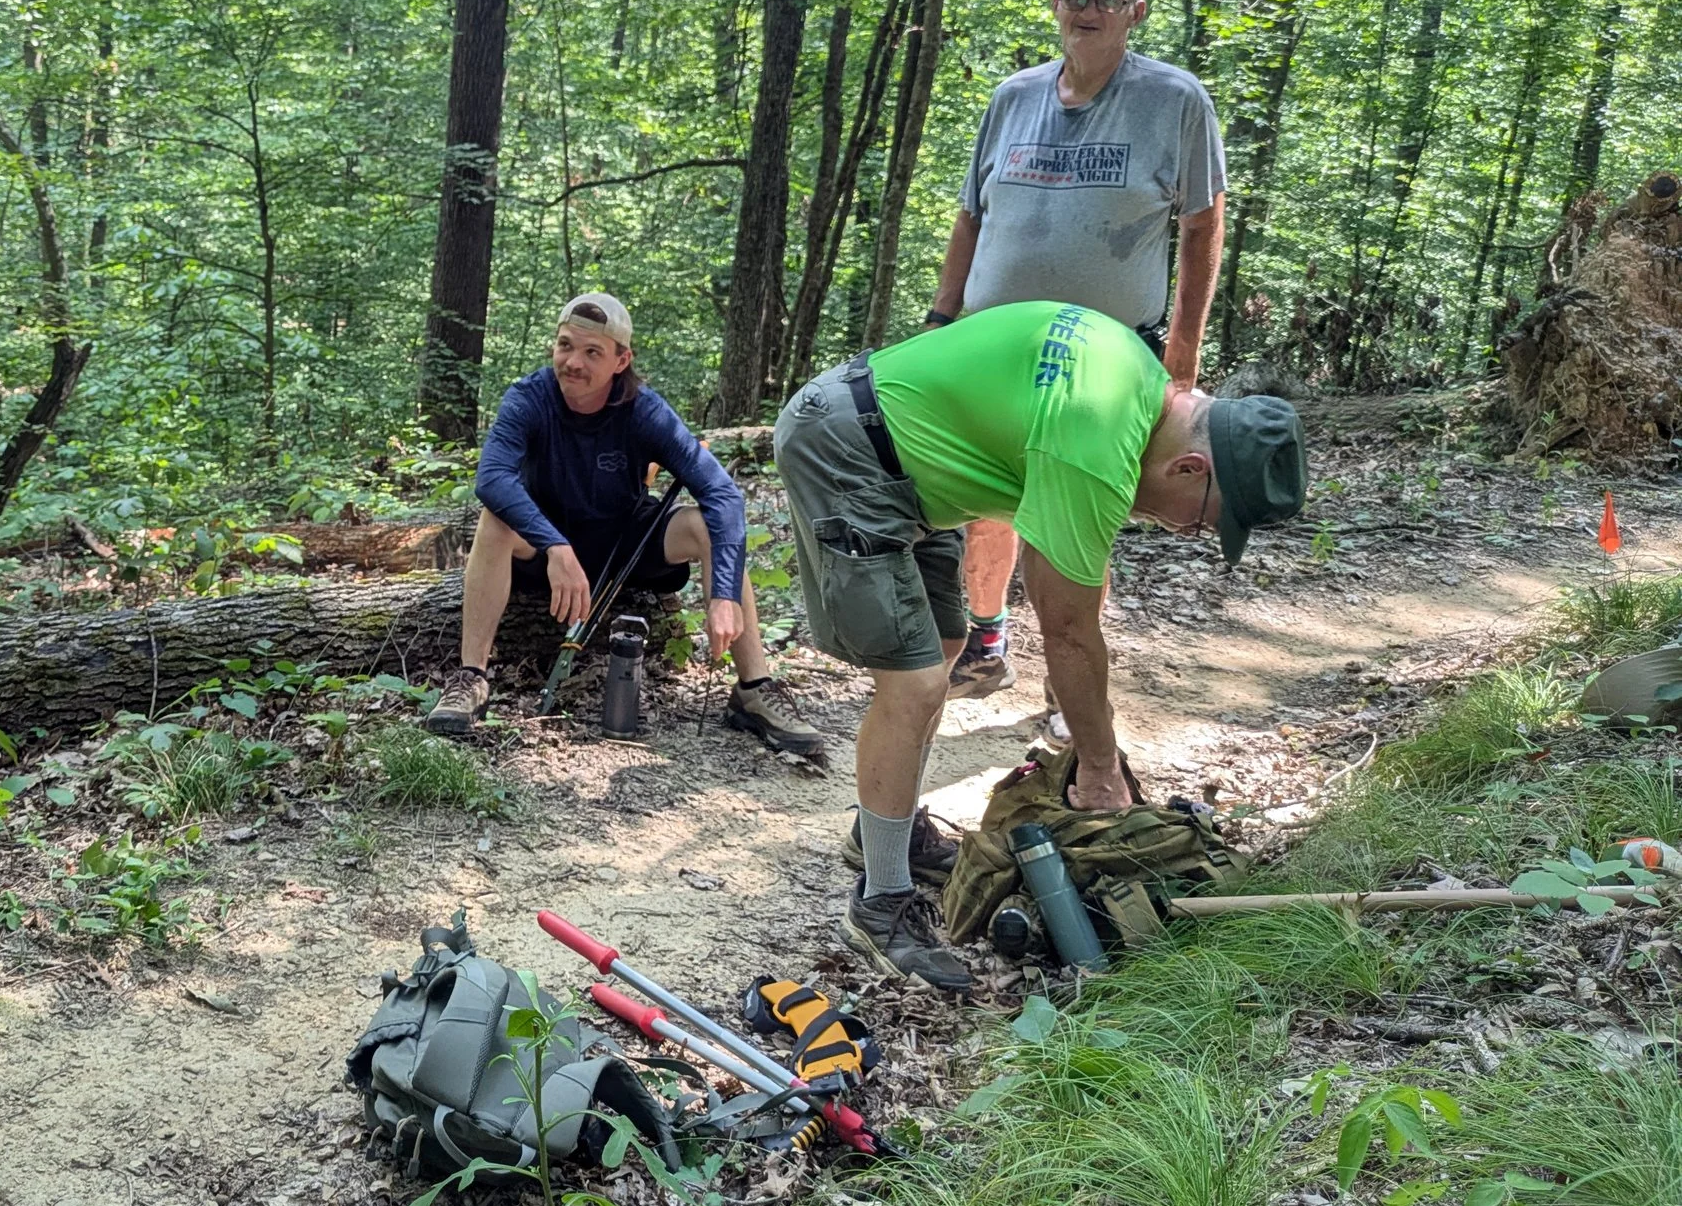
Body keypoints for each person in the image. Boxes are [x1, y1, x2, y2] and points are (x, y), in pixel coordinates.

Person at [772, 302, 1303, 991]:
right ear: (1190, 468)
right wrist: (1102, 768)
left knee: (945, 642)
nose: (1189, 532)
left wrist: (1097, 753)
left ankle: (884, 837)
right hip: (847, 445)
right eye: (1205, 520)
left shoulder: (1136, 381)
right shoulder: (1097, 439)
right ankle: (881, 902)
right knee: (915, 679)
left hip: (903, 454)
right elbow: (1069, 631)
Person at [924, 0, 1226, 701]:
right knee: (988, 496)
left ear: (1136, 11)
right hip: (994, 345)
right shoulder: (1012, 97)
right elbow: (970, 216)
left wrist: (1182, 359)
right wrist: (941, 318)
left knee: (1078, 514)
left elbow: (1201, 225)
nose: (1088, 10)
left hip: (1109, 357)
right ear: (1057, 6)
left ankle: (1069, 690)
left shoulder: (1175, 100)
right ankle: (987, 642)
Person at [426, 294, 823, 756]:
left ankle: (754, 688)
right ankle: (471, 678)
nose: (573, 362)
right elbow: (492, 479)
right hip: (547, 544)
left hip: (626, 543)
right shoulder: (529, 398)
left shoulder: (644, 410)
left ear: (622, 360)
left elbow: (722, 495)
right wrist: (555, 545)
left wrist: (724, 593)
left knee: (705, 525)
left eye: (592, 352)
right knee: (494, 521)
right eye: (565, 345)